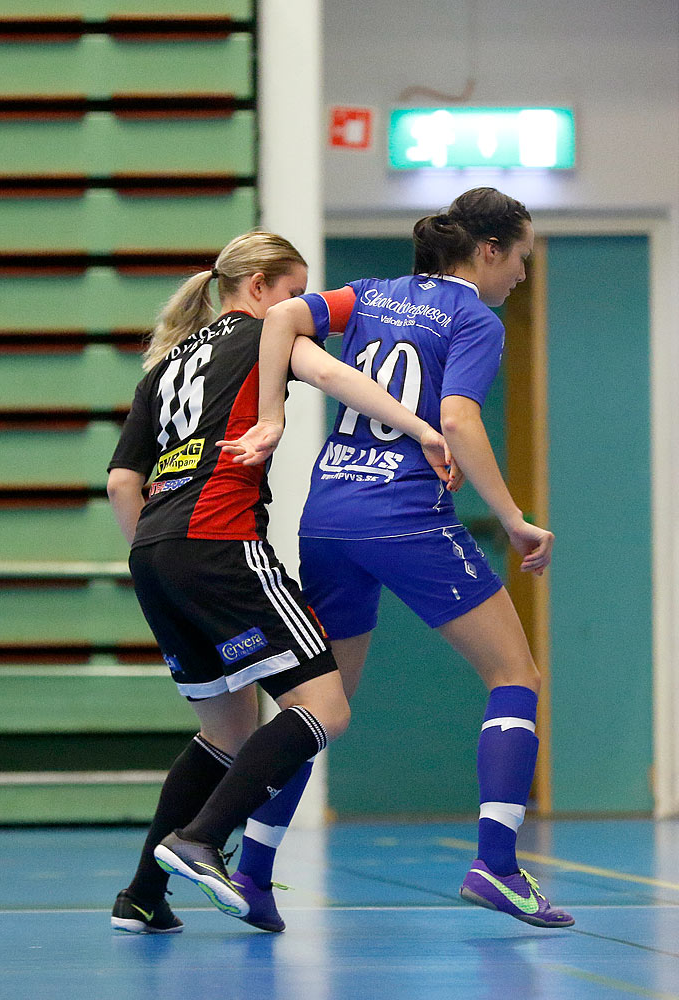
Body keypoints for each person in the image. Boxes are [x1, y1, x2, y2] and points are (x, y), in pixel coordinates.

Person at [226, 187, 572, 928]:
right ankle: (498, 865)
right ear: (488, 252)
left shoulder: (375, 294)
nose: (522, 275)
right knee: (516, 676)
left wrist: (273, 413)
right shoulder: (474, 316)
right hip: (405, 519)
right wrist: (512, 519)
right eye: (520, 259)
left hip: (327, 516)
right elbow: (456, 416)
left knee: (320, 708)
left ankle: (251, 874)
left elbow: (282, 316)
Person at [106, 231, 452, 934]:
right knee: (325, 706)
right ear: (259, 287)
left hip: (153, 552)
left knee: (226, 732)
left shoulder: (163, 368)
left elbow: (121, 483)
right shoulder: (264, 336)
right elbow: (332, 377)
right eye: (294, 293)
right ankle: (200, 840)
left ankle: (143, 895)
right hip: (218, 539)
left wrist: (161, 558)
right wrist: (420, 427)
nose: (300, 308)